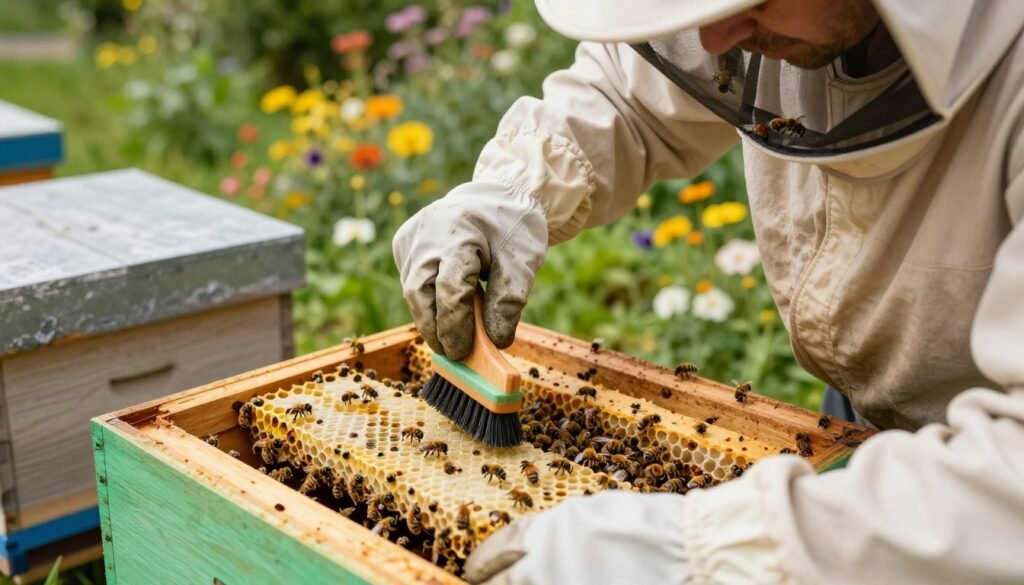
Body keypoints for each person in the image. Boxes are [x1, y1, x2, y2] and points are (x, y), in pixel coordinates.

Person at [392, 0, 1024, 582]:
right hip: (853, 432)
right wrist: (516, 191)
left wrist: (704, 550)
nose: (717, 36)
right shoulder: (768, 20)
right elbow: (628, 93)